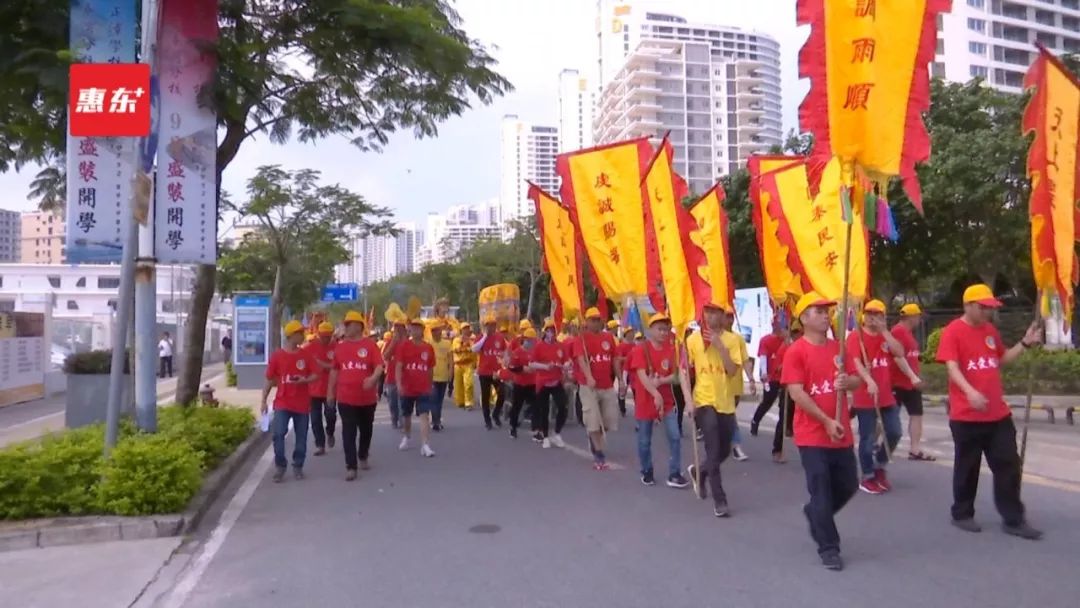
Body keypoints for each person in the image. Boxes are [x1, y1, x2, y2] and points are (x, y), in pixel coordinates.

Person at [935, 283, 1043, 540]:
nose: (987, 313)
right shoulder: (953, 332)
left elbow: (1001, 359)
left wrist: (1025, 344)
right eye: (983, 308)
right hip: (966, 416)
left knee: (1008, 464)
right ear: (968, 306)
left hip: (997, 414)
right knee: (968, 467)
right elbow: (952, 368)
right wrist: (970, 392)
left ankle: (1013, 518)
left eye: (990, 308)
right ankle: (962, 513)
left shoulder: (990, 331)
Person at [781, 292, 862, 571]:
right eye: (818, 311)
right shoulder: (796, 351)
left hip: (840, 434)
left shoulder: (839, 348)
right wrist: (825, 420)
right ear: (803, 318)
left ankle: (816, 514)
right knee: (822, 491)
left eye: (827, 310)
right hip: (812, 434)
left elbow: (856, 381)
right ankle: (829, 546)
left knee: (849, 485)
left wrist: (847, 381)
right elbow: (796, 392)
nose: (826, 315)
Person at [847, 299, 921, 495]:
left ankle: (879, 464)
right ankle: (868, 476)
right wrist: (868, 381)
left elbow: (899, 353)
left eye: (877, 314)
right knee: (868, 437)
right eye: (870, 313)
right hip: (865, 396)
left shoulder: (885, 337)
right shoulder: (856, 337)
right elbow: (855, 362)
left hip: (887, 395)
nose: (873, 318)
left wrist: (884, 331)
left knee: (894, 432)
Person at [681, 301, 742, 517]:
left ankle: (700, 470)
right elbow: (684, 371)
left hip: (725, 401)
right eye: (706, 311)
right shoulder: (692, 340)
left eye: (714, 312)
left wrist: (720, 346)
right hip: (703, 401)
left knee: (724, 450)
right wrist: (689, 400)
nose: (709, 316)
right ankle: (720, 500)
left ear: (723, 315)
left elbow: (733, 370)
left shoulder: (733, 340)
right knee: (713, 450)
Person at [629, 313, 689, 488]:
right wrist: (655, 393)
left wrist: (661, 381)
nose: (663, 332)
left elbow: (676, 375)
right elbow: (641, 375)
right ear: (651, 330)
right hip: (645, 401)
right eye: (659, 329)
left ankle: (675, 473)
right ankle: (647, 471)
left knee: (675, 437)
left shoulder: (672, 350)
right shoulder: (640, 349)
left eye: (666, 329)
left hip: (667, 403)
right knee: (644, 441)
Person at [327, 312, 383, 480]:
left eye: (348, 324)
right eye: (345, 324)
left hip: (367, 398)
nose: (345, 327)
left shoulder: (370, 345)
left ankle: (363, 455)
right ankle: (351, 466)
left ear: (358, 326)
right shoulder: (340, 347)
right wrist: (330, 392)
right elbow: (334, 371)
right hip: (345, 397)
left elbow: (379, 366)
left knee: (366, 429)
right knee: (348, 431)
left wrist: (373, 379)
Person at [261, 321, 317, 482]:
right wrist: (263, 400)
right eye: (300, 333)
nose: (302, 336)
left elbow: (316, 374)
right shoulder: (278, 356)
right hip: (282, 403)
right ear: (291, 335)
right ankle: (280, 466)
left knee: (301, 438)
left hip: (302, 404)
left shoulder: (305, 355)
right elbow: (270, 380)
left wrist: (304, 380)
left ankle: (298, 465)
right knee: (278, 434)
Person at [573, 307, 622, 469]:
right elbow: (581, 359)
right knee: (593, 420)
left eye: (598, 319)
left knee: (607, 421)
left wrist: (621, 380)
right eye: (592, 320)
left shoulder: (608, 338)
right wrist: (588, 376)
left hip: (606, 385)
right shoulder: (581, 339)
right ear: (586, 322)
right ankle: (599, 454)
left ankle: (594, 440)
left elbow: (615, 360)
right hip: (589, 387)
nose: (595, 322)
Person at [891, 303, 933, 461]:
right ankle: (876, 443)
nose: (920, 320)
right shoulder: (898, 332)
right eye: (918, 317)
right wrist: (912, 376)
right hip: (897, 382)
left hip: (911, 383)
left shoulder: (908, 333)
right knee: (890, 415)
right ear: (911, 317)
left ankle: (915, 449)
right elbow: (897, 357)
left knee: (916, 414)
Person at [397, 318, 437, 457]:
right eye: (413, 328)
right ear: (410, 330)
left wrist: (430, 384)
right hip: (407, 387)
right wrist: (398, 384)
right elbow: (399, 366)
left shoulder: (428, 348)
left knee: (424, 415)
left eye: (418, 328)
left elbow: (430, 368)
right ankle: (407, 437)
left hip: (423, 388)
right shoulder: (404, 346)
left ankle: (425, 445)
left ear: (422, 330)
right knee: (407, 415)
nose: (415, 330)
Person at [528, 321, 570, 448]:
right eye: (548, 330)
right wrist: (545, 366)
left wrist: (567, 365)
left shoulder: (560, 346)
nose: (551, 333)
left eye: (553, 330)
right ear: (545, 332)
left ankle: (556, 433)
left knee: (563, 406)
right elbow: (531, 363)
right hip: (543, 382)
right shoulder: (539, 346)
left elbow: (567, 360)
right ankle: (545, 436)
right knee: (544, 410)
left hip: (556, 381)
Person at [721, 313, 754, 461]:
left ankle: (726, 443)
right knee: (729, 415)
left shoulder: (738, 338)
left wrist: (751, 379)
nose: (729, 320)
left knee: (728, 416)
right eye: (726, 316)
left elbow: (745, 360)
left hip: (735, 384)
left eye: (731, 317)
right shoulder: (714, 338)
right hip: (718, 386)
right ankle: (735, 446)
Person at [303, 321, 338, 455]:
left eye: (328, 336)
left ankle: (330, 432)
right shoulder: (309, 348)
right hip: (313, 390)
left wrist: (323, 364)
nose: (326, 339)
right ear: (318, 334)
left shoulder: (337, 347)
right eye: (323, 336)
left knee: (330, 415)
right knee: (315, 419)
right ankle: (320, 445)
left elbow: (337, 367)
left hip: (330, 389)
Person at [750, 319, 787, 437]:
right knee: (767, 402)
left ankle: (784, 429)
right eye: (782, 326)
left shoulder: (787, 341)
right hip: (772, 377)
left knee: (784, 404)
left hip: (785, 377)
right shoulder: (766, 340)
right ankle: (755, 421)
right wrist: (764, 373)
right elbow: (763, 357)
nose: (784, 329)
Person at [472, 321, 508, 428]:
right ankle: (487, 420)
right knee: (486, 396)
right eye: (488, 325)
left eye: (493, 325)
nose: (491, 327)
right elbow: (474, 349)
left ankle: (496, 414)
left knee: (502, 394)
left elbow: (504, 351)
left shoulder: (500, 337)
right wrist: (485, 337)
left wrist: (504, 362)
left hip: (497, 372)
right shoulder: (481, 337)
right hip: (484, 372)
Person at [506, 328, 538, 438]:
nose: (531, 342)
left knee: (536, 407)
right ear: (524, 339)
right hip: (520, 384)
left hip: (533, 383)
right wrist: (522, 369)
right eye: (528, 340)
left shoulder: (535, 352)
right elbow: (511, 367)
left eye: (533, 340)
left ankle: (536, 430)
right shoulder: (517, 352)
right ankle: (513, 427)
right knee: (517, 406)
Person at [428, 323, 453, 431]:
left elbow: (451, 361)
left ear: (440, 331)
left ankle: (436, 421)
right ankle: (435, 422)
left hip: (443, 376)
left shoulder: (447, 343)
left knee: (439, 401)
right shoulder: (428, 343)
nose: (435, 332)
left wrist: (451, 374)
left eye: (436, 330)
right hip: (431, 377)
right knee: (433, 400)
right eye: (433, 330)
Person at [383, 322, 406, 429]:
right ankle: (394, 419)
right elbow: (386, 356)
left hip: (404, 379)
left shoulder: (408, 343)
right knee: (393, 403)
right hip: (391, 378)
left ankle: (403, 422)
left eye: (399, 327)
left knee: (402, 402)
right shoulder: (390, 342)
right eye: (395, 328)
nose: (397, 330)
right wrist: (393, 342)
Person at [452, 323, 478, 411]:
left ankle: (469, 403)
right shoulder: (456, 340)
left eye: (467, 328)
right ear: (461, 330)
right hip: (458, 365)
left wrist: (475, 363)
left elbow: (474, 351)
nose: (466, 330)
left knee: (469, 383)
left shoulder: (472, 340)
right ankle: (460, 401)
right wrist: (463, 343)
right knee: (458, 385)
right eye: (464, 329)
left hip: (468, 364)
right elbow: (456, 350)